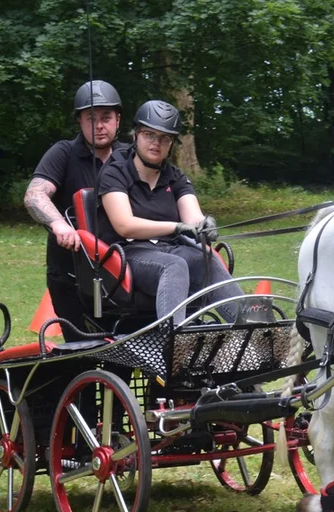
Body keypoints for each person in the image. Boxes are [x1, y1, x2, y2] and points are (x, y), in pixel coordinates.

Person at [96, 100, 241, 323]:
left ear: (171, 143)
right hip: (128, 253)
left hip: (170, 249)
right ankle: (175, 338)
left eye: (164, 138)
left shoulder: (175, 176)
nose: (156, 143)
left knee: (206, 259)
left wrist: (203, 224)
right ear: (135, 135)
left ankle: (255, 328)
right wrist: (176, 227)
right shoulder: (114, 172)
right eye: (149, 134)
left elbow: (193, 215)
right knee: (175, 265)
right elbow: (124, 225)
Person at [24, 80, 127, 332]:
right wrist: (58, 224)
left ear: (118, 120)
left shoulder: (131, 156)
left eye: (106, 117)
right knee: (81, 350)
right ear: (79, 122)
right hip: (71, 277)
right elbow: (34, 195)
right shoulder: (63, 153)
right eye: (91, 118)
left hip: (122, 273)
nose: (100, 125)